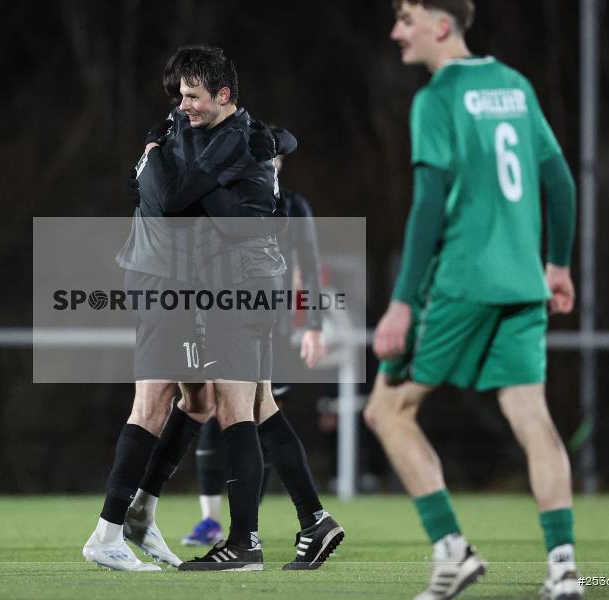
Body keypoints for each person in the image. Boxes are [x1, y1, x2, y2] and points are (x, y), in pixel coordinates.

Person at [364, 2, 581, 599]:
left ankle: (452, 551)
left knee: (386, 412)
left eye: (406, 19)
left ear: (441, 25)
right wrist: (557, 264)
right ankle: (563, 570)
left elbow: (428, 205)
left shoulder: (436, 98)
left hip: (462, 282)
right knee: (531, 415)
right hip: (522, 283)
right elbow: (559, 181)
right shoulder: (513, 85)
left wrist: (403, 301)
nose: (396, 32)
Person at [120, 46, 343, 572]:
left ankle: (243, 542)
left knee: (231, 408)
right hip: (248, 289)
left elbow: (180, 200)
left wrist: (311, 322)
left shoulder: (237, 152)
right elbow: (280, 140)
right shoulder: (249, 140)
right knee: (255, 405)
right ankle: (313, 519)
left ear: (222, 98)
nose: (184, 107)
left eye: (192, 98)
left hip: (239, 289)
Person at [181, 150, 327, 547]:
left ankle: (249, 529)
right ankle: (223, 523)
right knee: (227, 411)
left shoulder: (291, 206)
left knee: (256, 415)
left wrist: (313, 324)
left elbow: (309, 267)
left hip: (267, 324)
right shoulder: (236, 198)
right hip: (230, 314)